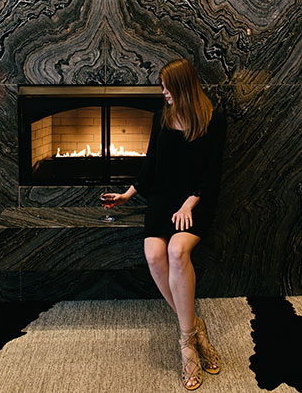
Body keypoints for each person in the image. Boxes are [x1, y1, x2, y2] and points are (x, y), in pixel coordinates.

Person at [103, 58, 227, 390]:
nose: (163, 93)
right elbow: (151, 166)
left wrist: (191, 201)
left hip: (196, 201)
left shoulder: (214, 122)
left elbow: (212, 173)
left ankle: (186, 346)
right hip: (163, 200)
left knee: (176, 251)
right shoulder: (163, 119)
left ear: (182, 88)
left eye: (166, 87)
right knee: (155, 254)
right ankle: (194, 327)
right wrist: (128, 195)